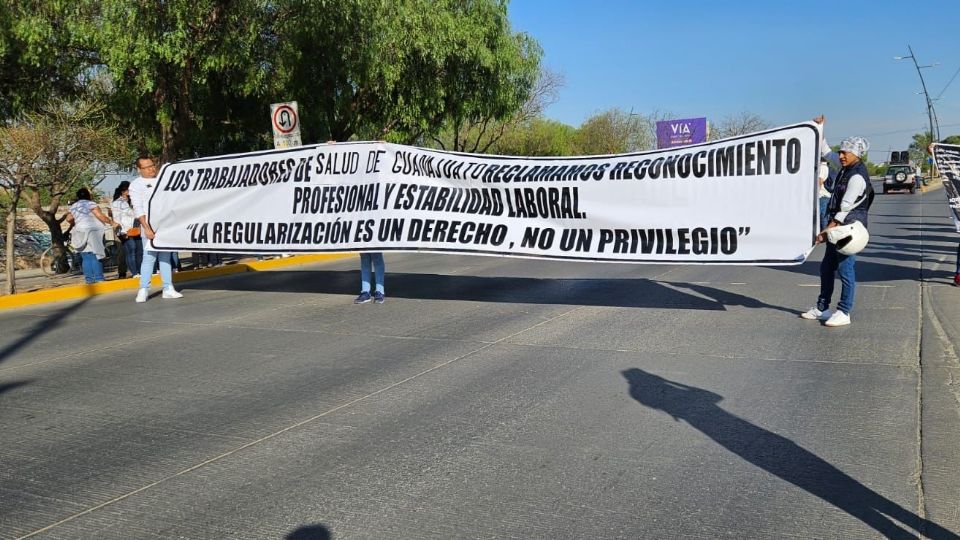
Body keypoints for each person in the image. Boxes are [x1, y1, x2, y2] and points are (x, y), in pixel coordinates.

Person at [801, 116, 875, 327]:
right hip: (838, 229)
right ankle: (822, 308)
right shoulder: (844, 168)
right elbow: (825, 151)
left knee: (845, 269)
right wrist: (819, 128)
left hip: (848, 229)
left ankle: (844, 311)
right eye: (841, 152)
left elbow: (844, 210)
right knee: (826, 268)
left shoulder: (857, 177)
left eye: (845, 153)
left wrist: (826, 230)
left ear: (857, 154)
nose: (841, 155)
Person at [129, 154, 183, 302]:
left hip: (165, 225)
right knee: (149, 257)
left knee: (165, 257)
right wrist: (146, 227)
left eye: (152, 166)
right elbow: (138, 208)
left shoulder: (162, 181)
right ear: (139, 169)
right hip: (149, 226)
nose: (150, 169)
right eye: (146, 167)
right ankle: (143, 289)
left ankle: (168, 288)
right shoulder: (136, 184)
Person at [64, 187, 119, 284]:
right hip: (93, 231)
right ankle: (99, 278)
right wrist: (112, 222)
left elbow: (68, 219)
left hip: (80, 231)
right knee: (96, 255)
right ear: (88, 195)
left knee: (86, 256)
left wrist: (77, 221)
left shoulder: (74, 206)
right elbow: (99, 215)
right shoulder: (91, 204)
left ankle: (89, 279)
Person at [111, 181, 143, 279]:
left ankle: (140, 271)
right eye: (128, 189)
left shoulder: (134, 200)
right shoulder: (117, 203)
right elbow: (117, 218)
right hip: (125, 230)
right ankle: (134, 272)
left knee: (139, 250)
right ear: (123, 190)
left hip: (137, 228)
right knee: (131, 250)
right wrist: (122, 231)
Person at [817, 158, 836, 231]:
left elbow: (820, 180)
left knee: (822, 216)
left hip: (822, 195)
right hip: (826, 194)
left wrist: (816, 193)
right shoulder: (827, 167)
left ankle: (824, 233)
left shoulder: (822, 167)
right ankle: (824, 232)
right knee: (824, 215)